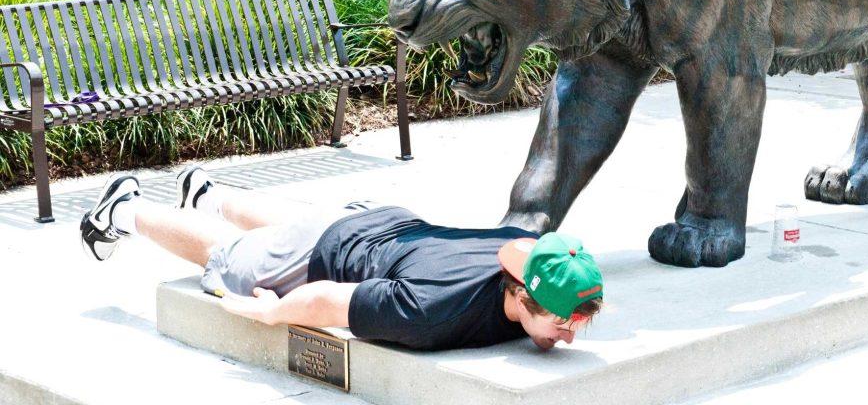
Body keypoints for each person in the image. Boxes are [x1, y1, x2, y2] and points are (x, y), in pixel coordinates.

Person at [79, 166, 603, 351]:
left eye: (577, 321)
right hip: (326, 253)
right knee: (228, 262)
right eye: (561, 321)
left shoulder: (522, 248)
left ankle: (207, 195)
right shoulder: (431, 310)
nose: (570, 335)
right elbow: (329, 300)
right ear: (518, 292)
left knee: (295, 226)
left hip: (378, 218)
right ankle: (122, 210)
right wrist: (273, 312)